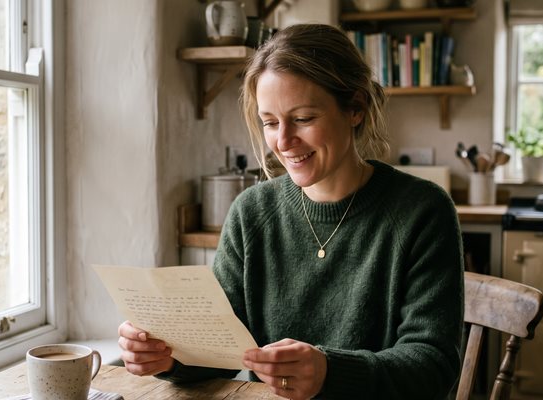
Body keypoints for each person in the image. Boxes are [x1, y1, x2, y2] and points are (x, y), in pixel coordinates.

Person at [118, 24, 464, 400]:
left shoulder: (422, 212)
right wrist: (168, 357)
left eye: (303, 119)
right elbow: (219, 350)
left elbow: (433, 365)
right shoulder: (251, 212)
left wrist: (331, 372)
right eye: (270, 123)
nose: (283, 142)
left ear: (355, 109)